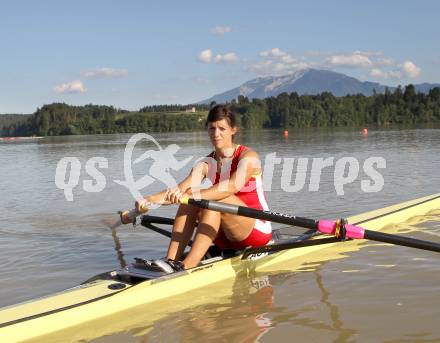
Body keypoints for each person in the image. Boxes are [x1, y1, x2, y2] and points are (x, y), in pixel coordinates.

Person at [135, 104, 272, 271]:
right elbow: (180, 190)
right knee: (191, 195)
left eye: (222, 128)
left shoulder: (248, 157)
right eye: (212, 128)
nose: (216, 134)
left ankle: (187, 266)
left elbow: (230, 187)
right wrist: (148, 201)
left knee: (208, 197)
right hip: (222, 236)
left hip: (255, 231)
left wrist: (194, 196)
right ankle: (171, 260)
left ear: (233, 130)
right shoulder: (204, 164)